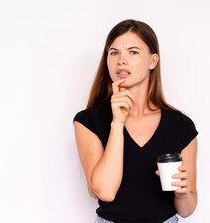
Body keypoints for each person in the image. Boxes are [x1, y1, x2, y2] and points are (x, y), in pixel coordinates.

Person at [73, 19, 198, 223]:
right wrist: (117, 122)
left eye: (133, 52)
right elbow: (106, 191)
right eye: (114, 52)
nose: (121, 60)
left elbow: (186, 210)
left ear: (152, 61)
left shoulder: (181, 126)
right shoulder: (88, 121)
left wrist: (182, 194)